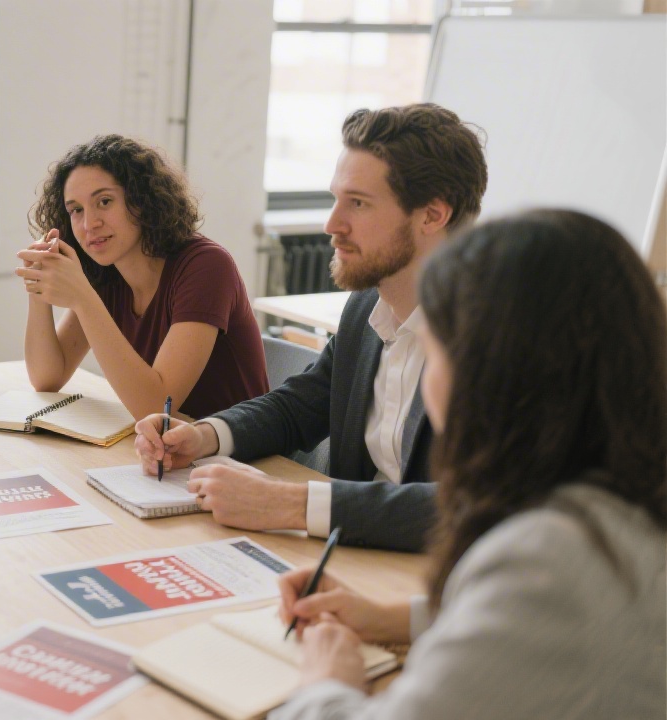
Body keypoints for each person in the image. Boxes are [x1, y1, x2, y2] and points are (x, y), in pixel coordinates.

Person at [269, 209, 666, 719]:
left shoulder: (548, 555)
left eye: (435, 352)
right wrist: (391, 619)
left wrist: (325, 681)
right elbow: (536, 630)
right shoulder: (619, 497)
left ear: (492, 372)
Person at [135, 104, 489, 552]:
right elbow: (301, 404)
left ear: (432, 215)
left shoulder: (503, 337)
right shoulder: (367, 307)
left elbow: (483, 505)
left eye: (357, 203)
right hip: (358, 559)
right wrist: (205, 436)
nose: (331, 225)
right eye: (336, 198)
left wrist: (291, 504)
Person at [18, 134, 268, 420]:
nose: (89, 224)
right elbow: (46, 378)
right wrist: (37, 284)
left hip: (238, 458)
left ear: (142, 200)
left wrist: (83, 299)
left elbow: (157, 406)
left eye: (104, 201)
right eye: (76, 210)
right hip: (166, 452)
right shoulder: (107, 274)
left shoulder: (207, 266)